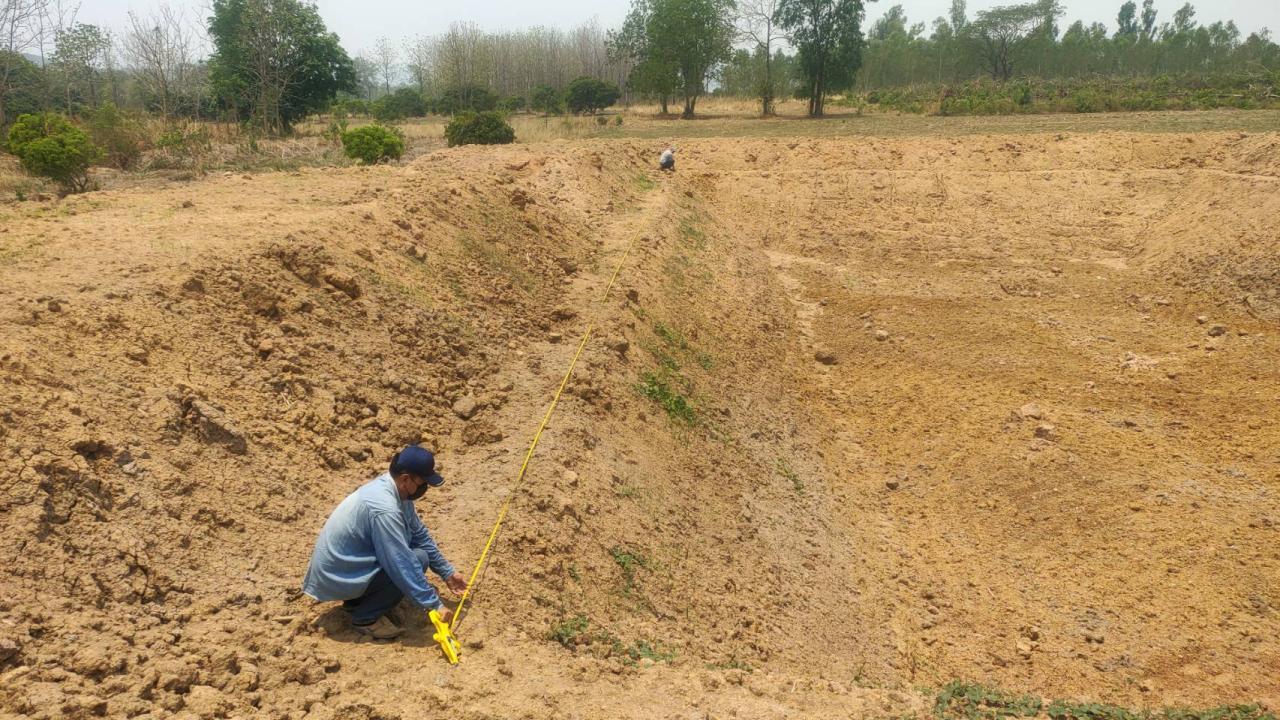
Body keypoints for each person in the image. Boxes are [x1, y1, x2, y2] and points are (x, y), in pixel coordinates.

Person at [302, 445, 467, 639]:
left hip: (347, 568)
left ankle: (358, 602)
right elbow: (400, 562)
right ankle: (365, 617)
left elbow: (419, 534)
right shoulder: (385, 509)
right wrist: (434, 604)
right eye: (422, 482)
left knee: (416, 552)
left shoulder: (396, 491)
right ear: (405, 478)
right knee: (416, 559)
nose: (424, 488)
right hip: (336, 577)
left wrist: (447, 572)